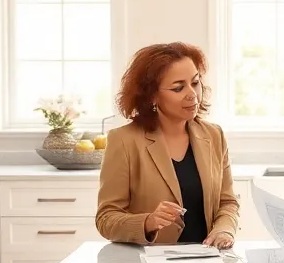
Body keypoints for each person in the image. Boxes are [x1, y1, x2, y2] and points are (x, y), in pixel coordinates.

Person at [96, 42, 239, 248]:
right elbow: (106, 219)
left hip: (207, 259)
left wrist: (224, 229)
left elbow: (228, 202)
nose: (192, 94)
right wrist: (148, 222)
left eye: (195, 82)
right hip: (148, 262)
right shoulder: (123, 140)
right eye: (178, 88)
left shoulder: (214, 135)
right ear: (152, 95)